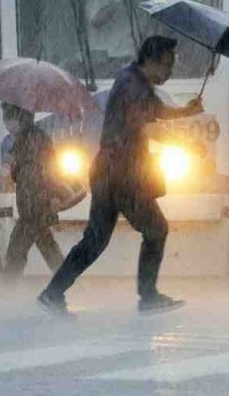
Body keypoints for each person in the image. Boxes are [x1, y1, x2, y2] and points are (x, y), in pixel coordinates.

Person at [37, 36, 203, 316]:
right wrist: (187, 142)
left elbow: (155, 112)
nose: (171, 71)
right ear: (151, 60)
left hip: (108, 170)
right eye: (168, 64)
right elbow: (152, 124)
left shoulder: (133, 80)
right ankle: (148, 296)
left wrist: (185, 111)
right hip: (123, 174)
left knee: (95, 240)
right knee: (156, 229)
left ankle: (53, 293)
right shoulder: (133, 84)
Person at [0, 103, 65, 277]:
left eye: (8, 119)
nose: (6, 124)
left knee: (17, 249)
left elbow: (44, 171)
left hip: (34, 203)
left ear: (19, 119)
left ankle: (5, 291)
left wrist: (53, 195)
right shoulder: (32, 137)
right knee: (46, 246)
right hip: (33, 203)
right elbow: (22, 173)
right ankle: (66, 277)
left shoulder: (31, 139)